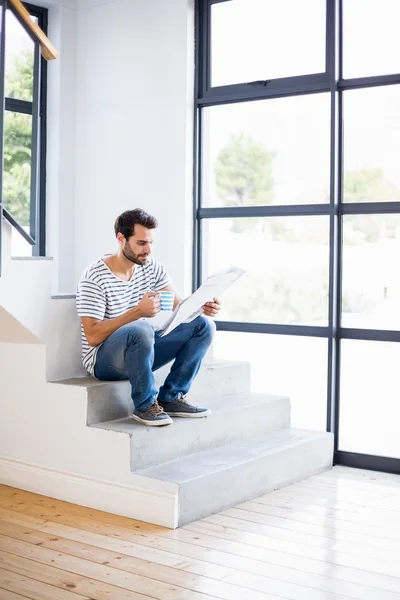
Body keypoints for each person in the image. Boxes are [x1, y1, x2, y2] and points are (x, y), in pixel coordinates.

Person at [76, 208, 221, 427]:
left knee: (203, 325)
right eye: (142, 243)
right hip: (104, 361)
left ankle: (171, 397)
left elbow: (180, 307)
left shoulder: (150, 266)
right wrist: (137, 312)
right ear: (121, 238)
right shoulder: (94, 277)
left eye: (151, 243)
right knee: (141, 327)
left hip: (139, 349)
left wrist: (203, 306)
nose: (148, 250)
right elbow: (93, 336)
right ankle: (145, 405)